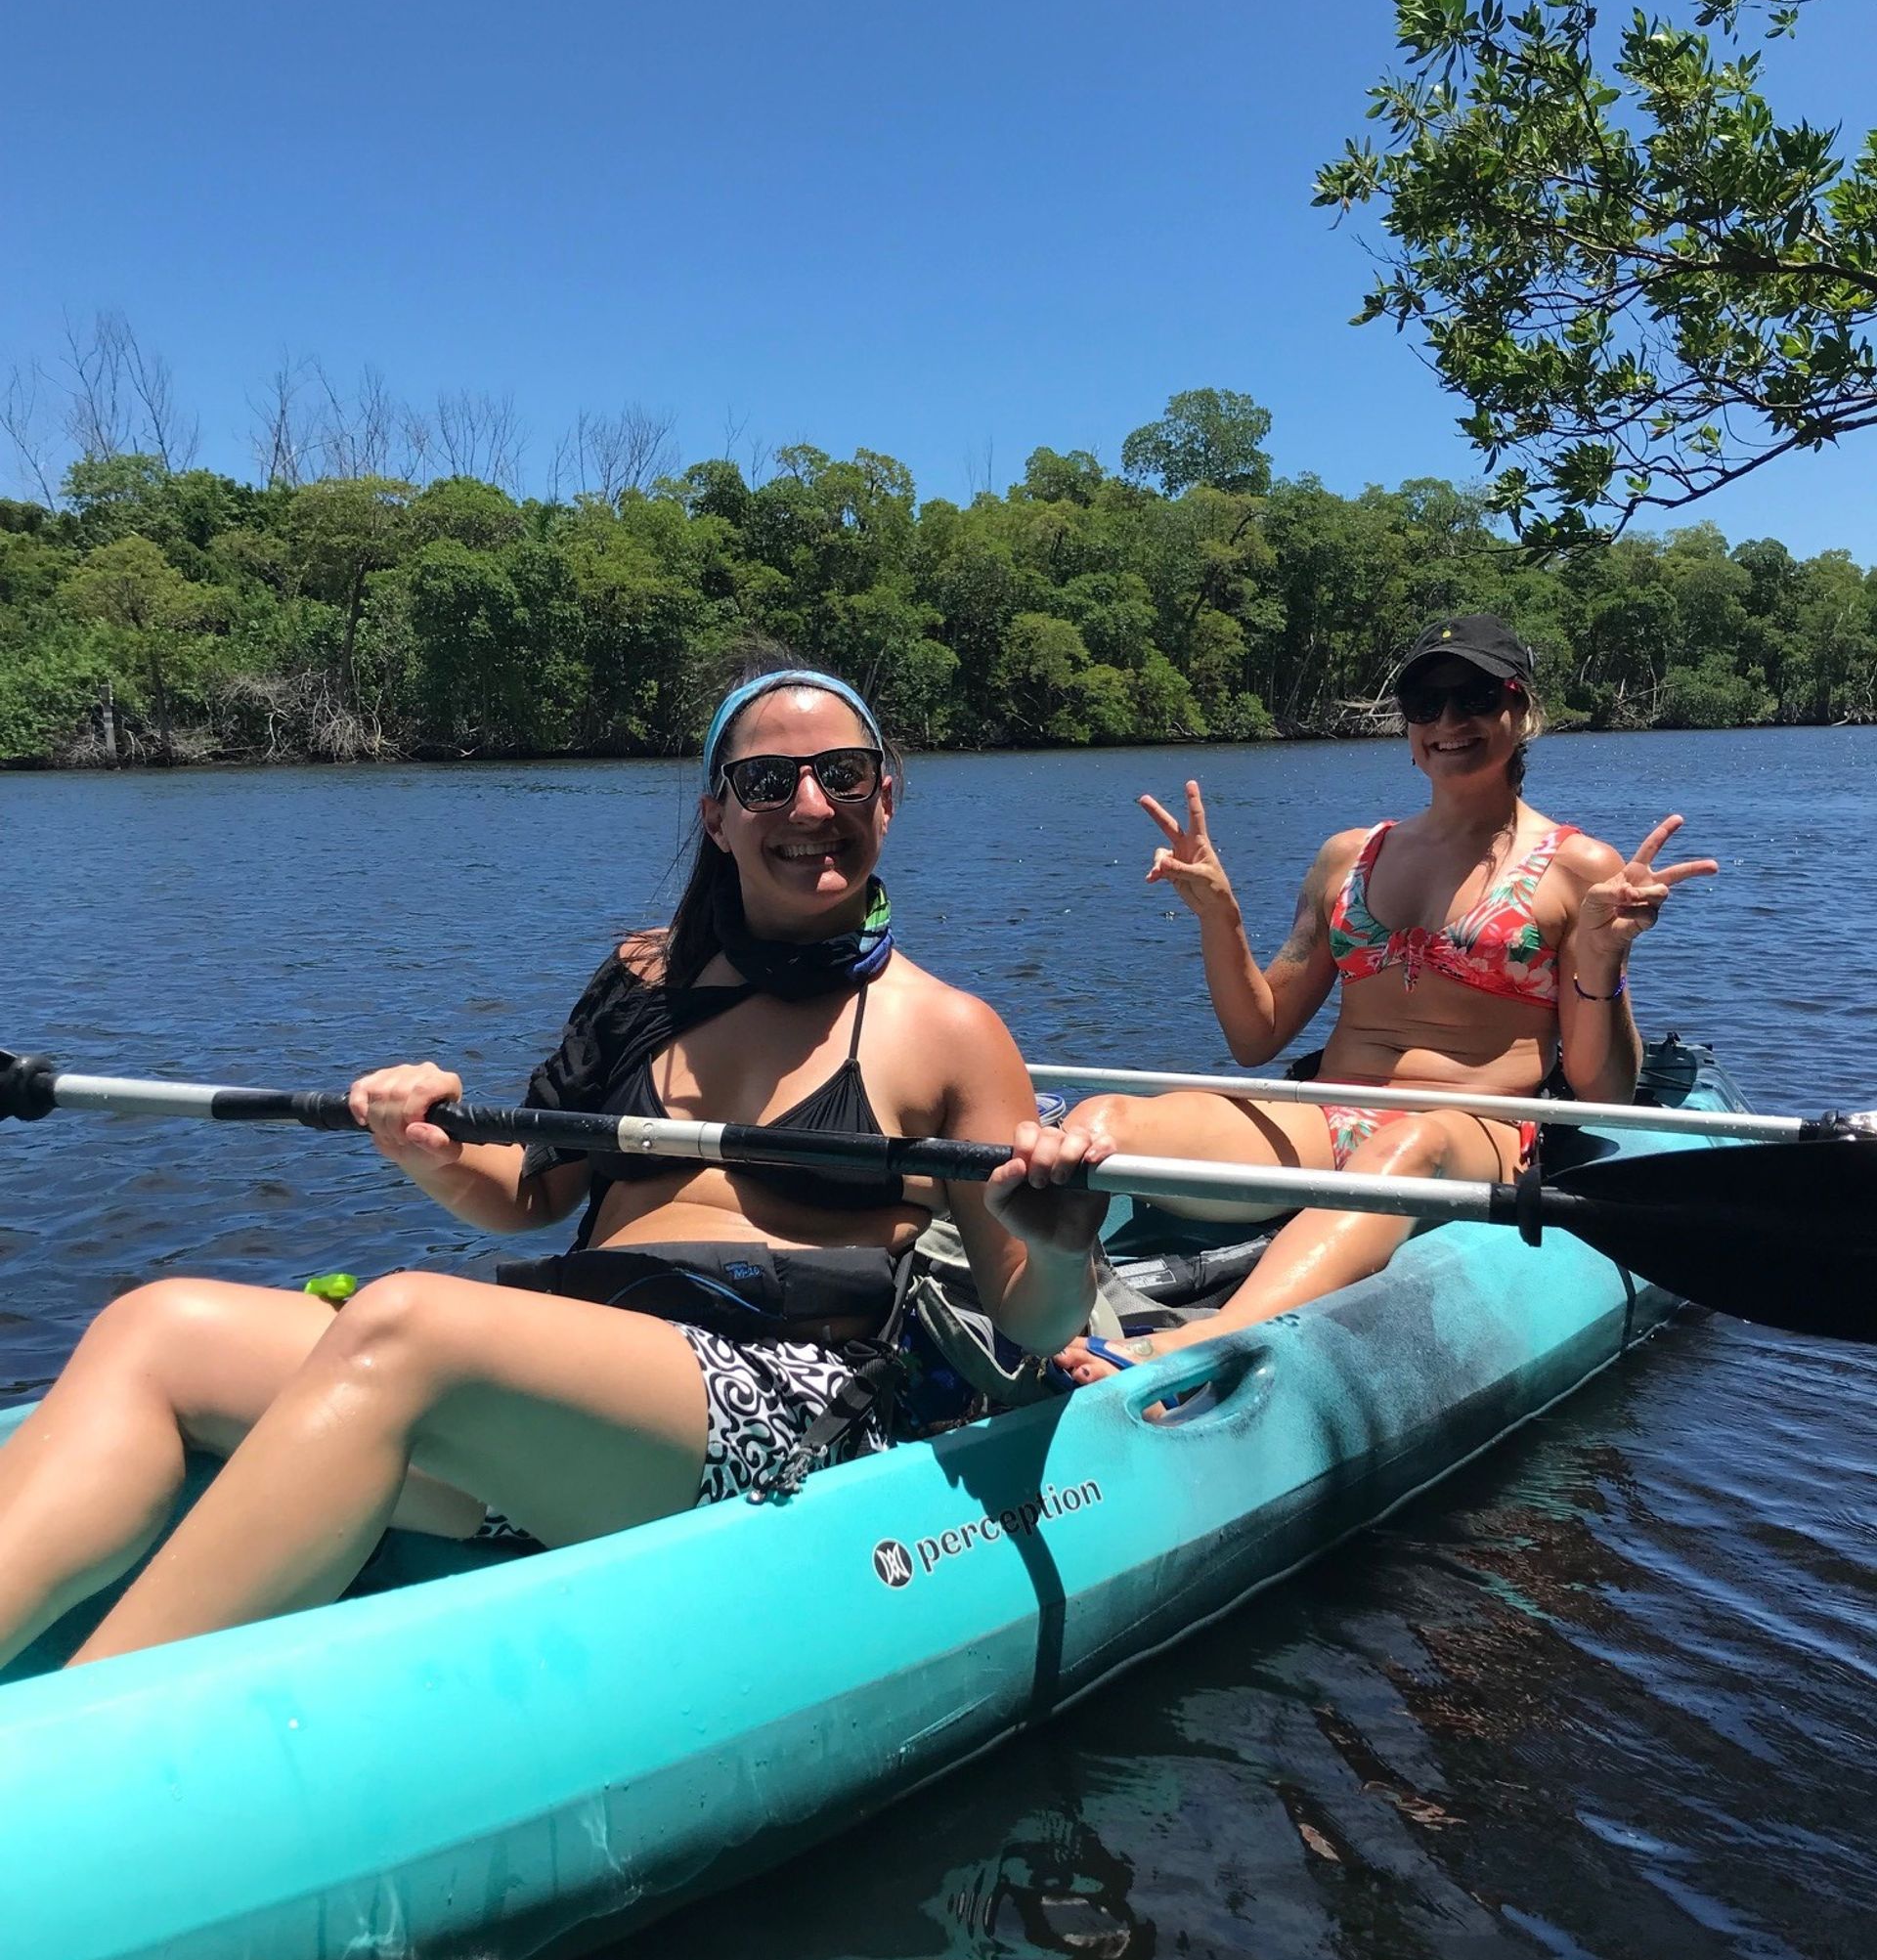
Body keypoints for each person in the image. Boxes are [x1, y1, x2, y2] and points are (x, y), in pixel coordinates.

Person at [0, 660, 1110, 1670]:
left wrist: (1062, 1246)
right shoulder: (641, 980)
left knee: (410, 1323)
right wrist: (428, 1153)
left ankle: (64, 1750)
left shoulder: (952, 1031)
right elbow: (528, 1194)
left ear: (887, 796)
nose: (810, 808)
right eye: (769, 781)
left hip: (787, 1400)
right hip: (590, 1379)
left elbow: (1034, 1322)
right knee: (157, 1328)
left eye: (843, 775)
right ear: (717, 815)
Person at [1058, 612, 1717, 1384]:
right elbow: (1256, 1037)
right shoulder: (1347, 857)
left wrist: (1604, 953)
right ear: (1407, 730)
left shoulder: (1579, 867)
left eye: (1473, 697)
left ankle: (1207, 1343)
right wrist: (1220, 917)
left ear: (1521, 709)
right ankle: (1049, 1318)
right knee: (1102, 1121)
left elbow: (1605, 1091)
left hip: (1473, 1135)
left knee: (1409, 1144)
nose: (1447, 722)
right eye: (1424, 704)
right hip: (1326, 1122)